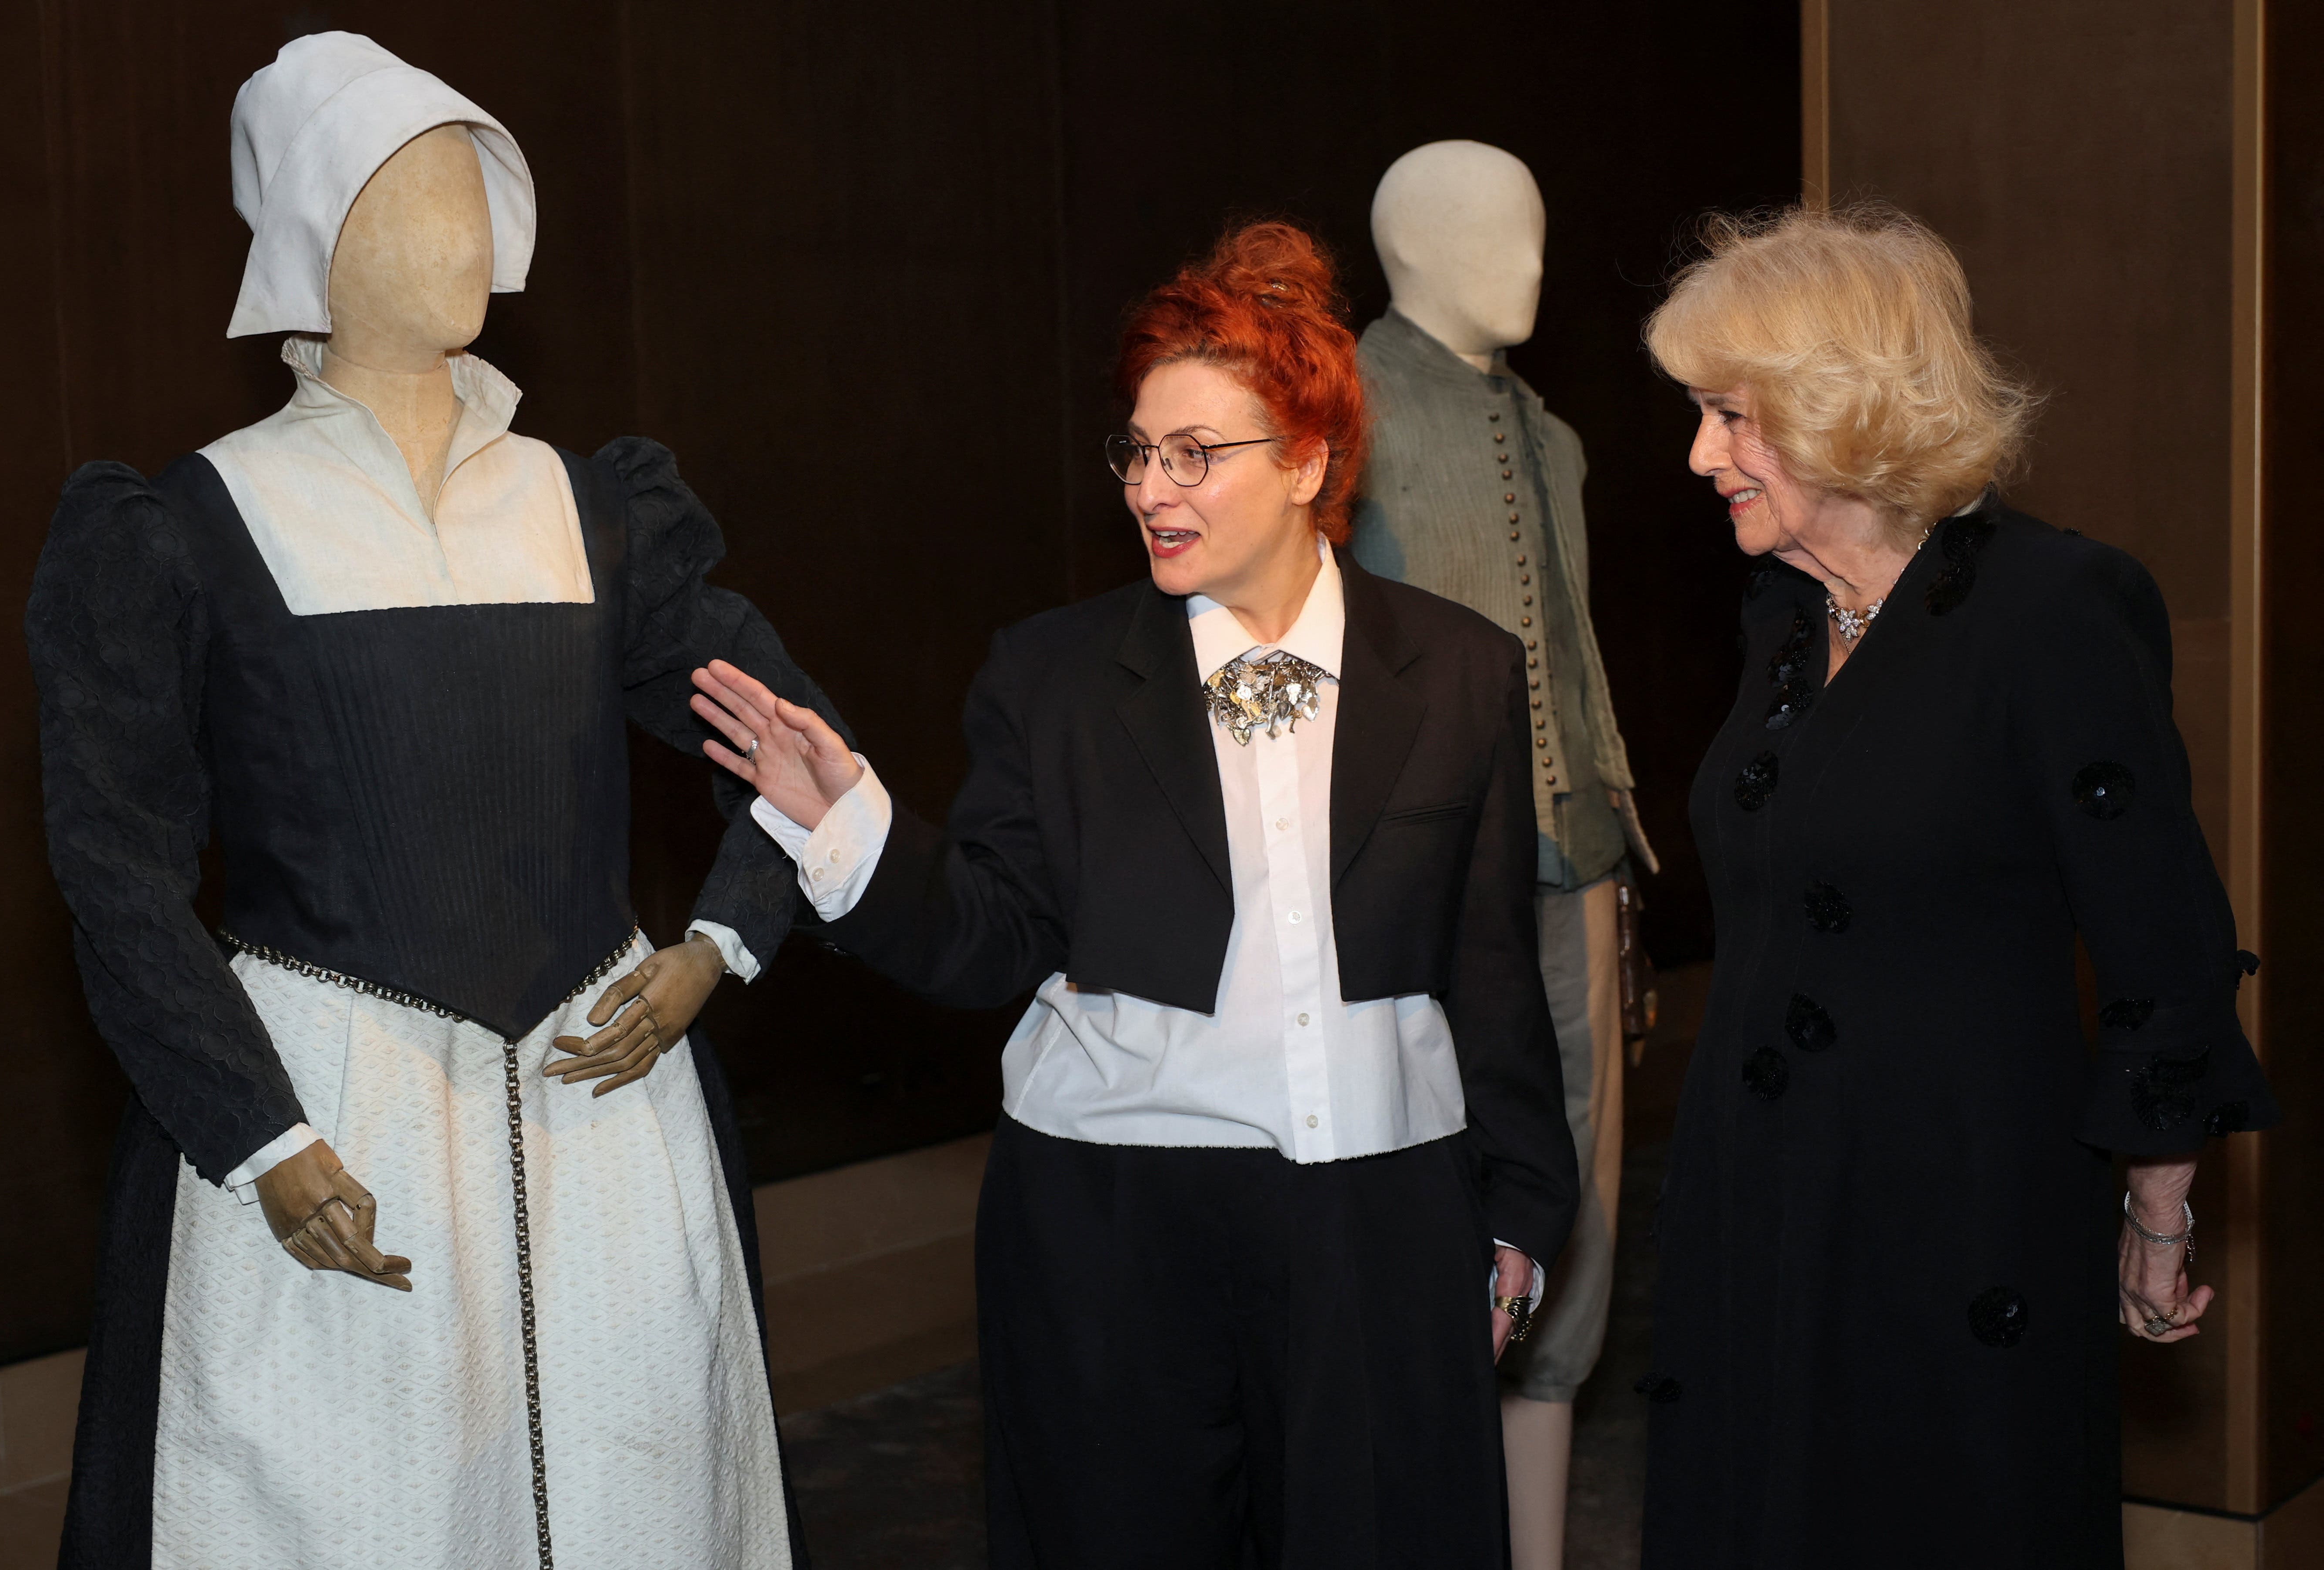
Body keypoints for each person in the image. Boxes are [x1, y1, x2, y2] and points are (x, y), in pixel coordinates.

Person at [28, 33, 830, 1568]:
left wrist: (719, 940)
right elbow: (113, 863)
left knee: (641, 1501)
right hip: (334, 1110)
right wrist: (261, 1132)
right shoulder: (192, 525)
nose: (463, 233)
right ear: (317, 237)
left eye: (480, 190)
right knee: (336, 1510)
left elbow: (789, 735)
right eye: (415, 193)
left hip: (605, 1105)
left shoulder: (592, 504)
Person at [690, 221, 1580, 1566]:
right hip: (1117, 1226)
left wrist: (1521, 1201)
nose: (1152, 488)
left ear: (1309, 464)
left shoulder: (1460, 670)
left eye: (1195, 455)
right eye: (1139, 452)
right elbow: (985, 935)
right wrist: (854, 829)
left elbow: (1491, 962)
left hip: (1382, 1224)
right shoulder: (1052, 678)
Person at [1637, 203, 2279, 1567]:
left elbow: (2165, 950)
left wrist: (2157, 1218)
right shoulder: (1785, 621)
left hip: (1956, 1214)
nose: (1700, 455)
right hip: (1762, 1202)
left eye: (1729, 415)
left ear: (1839, 405)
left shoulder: (2054, 610)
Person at [1353, 140, 1656, 1570]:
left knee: (1580, 1194)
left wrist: (1614, 828)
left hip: (1576, 861)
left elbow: (1576, 658)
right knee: (1428, 1184)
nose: (1529, 263)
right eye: (1495, 235)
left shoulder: (1554, 434)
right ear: (1413, 249)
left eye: (1536, 231)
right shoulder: (1341, 414)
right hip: (1419, 882)